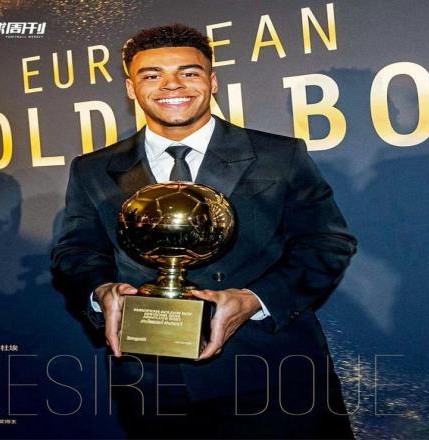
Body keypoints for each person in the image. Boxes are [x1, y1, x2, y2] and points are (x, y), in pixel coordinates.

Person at [51, 23, 357, 439]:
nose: (171, 85)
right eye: (152, 75)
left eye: (189, 72)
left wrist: (254, 300)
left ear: (212, 82)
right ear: (130, 88)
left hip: (269, 370)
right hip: (153, 379)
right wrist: (100, 292)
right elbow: (76, 251)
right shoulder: (92, 168)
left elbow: (327, 242)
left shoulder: (279, 155)